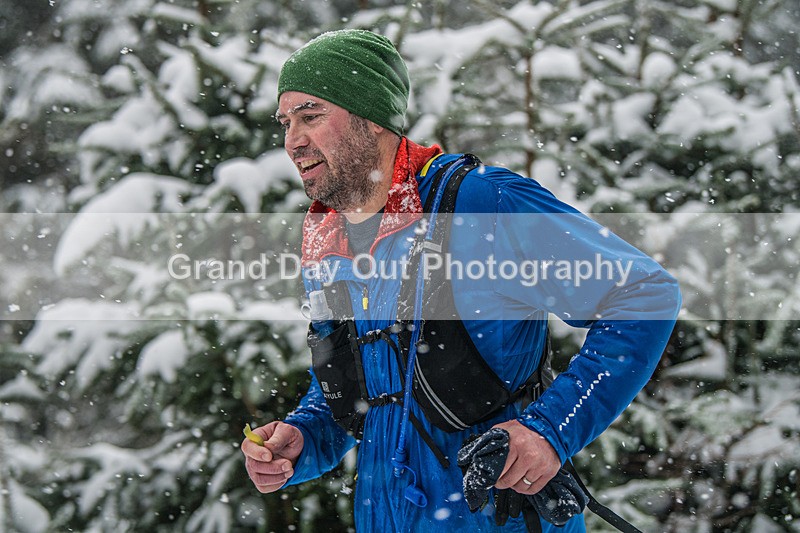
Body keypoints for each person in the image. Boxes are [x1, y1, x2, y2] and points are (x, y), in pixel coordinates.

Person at [241, 29, 680, 532]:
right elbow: (366, 381)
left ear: (371, 119)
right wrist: (306, 436)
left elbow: (644, 293)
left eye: (311, 116)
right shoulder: (330, 239)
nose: (293, 141)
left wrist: (549, 430)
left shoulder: (475, 204)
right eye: (286, 122)